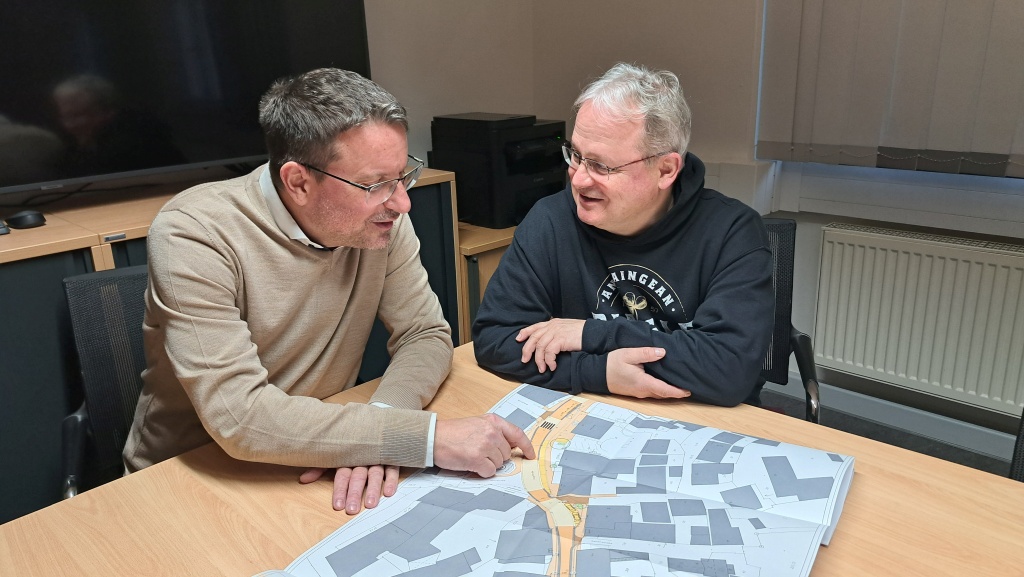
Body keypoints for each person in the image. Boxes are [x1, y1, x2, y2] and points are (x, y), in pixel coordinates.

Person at [124, 68, 535, 514]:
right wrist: (426, 439)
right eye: (376, 184)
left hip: (322, 457)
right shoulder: (193, 233)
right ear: (298, 182)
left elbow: (424, 333)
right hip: (194, 477)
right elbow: (240, 417)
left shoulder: (382, 219)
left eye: (402, 175)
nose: (402, 202)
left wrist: (383, 430)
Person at [473, 63, 774, 407]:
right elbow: (496, 338)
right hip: (592, 408)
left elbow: (729, 369)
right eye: (576, 156)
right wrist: (599, 372)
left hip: (703, 416)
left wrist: (588, 333)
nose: (578, 179)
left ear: (666, 170)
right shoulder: (550, 221)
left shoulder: (732, 231)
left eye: (601, 166)